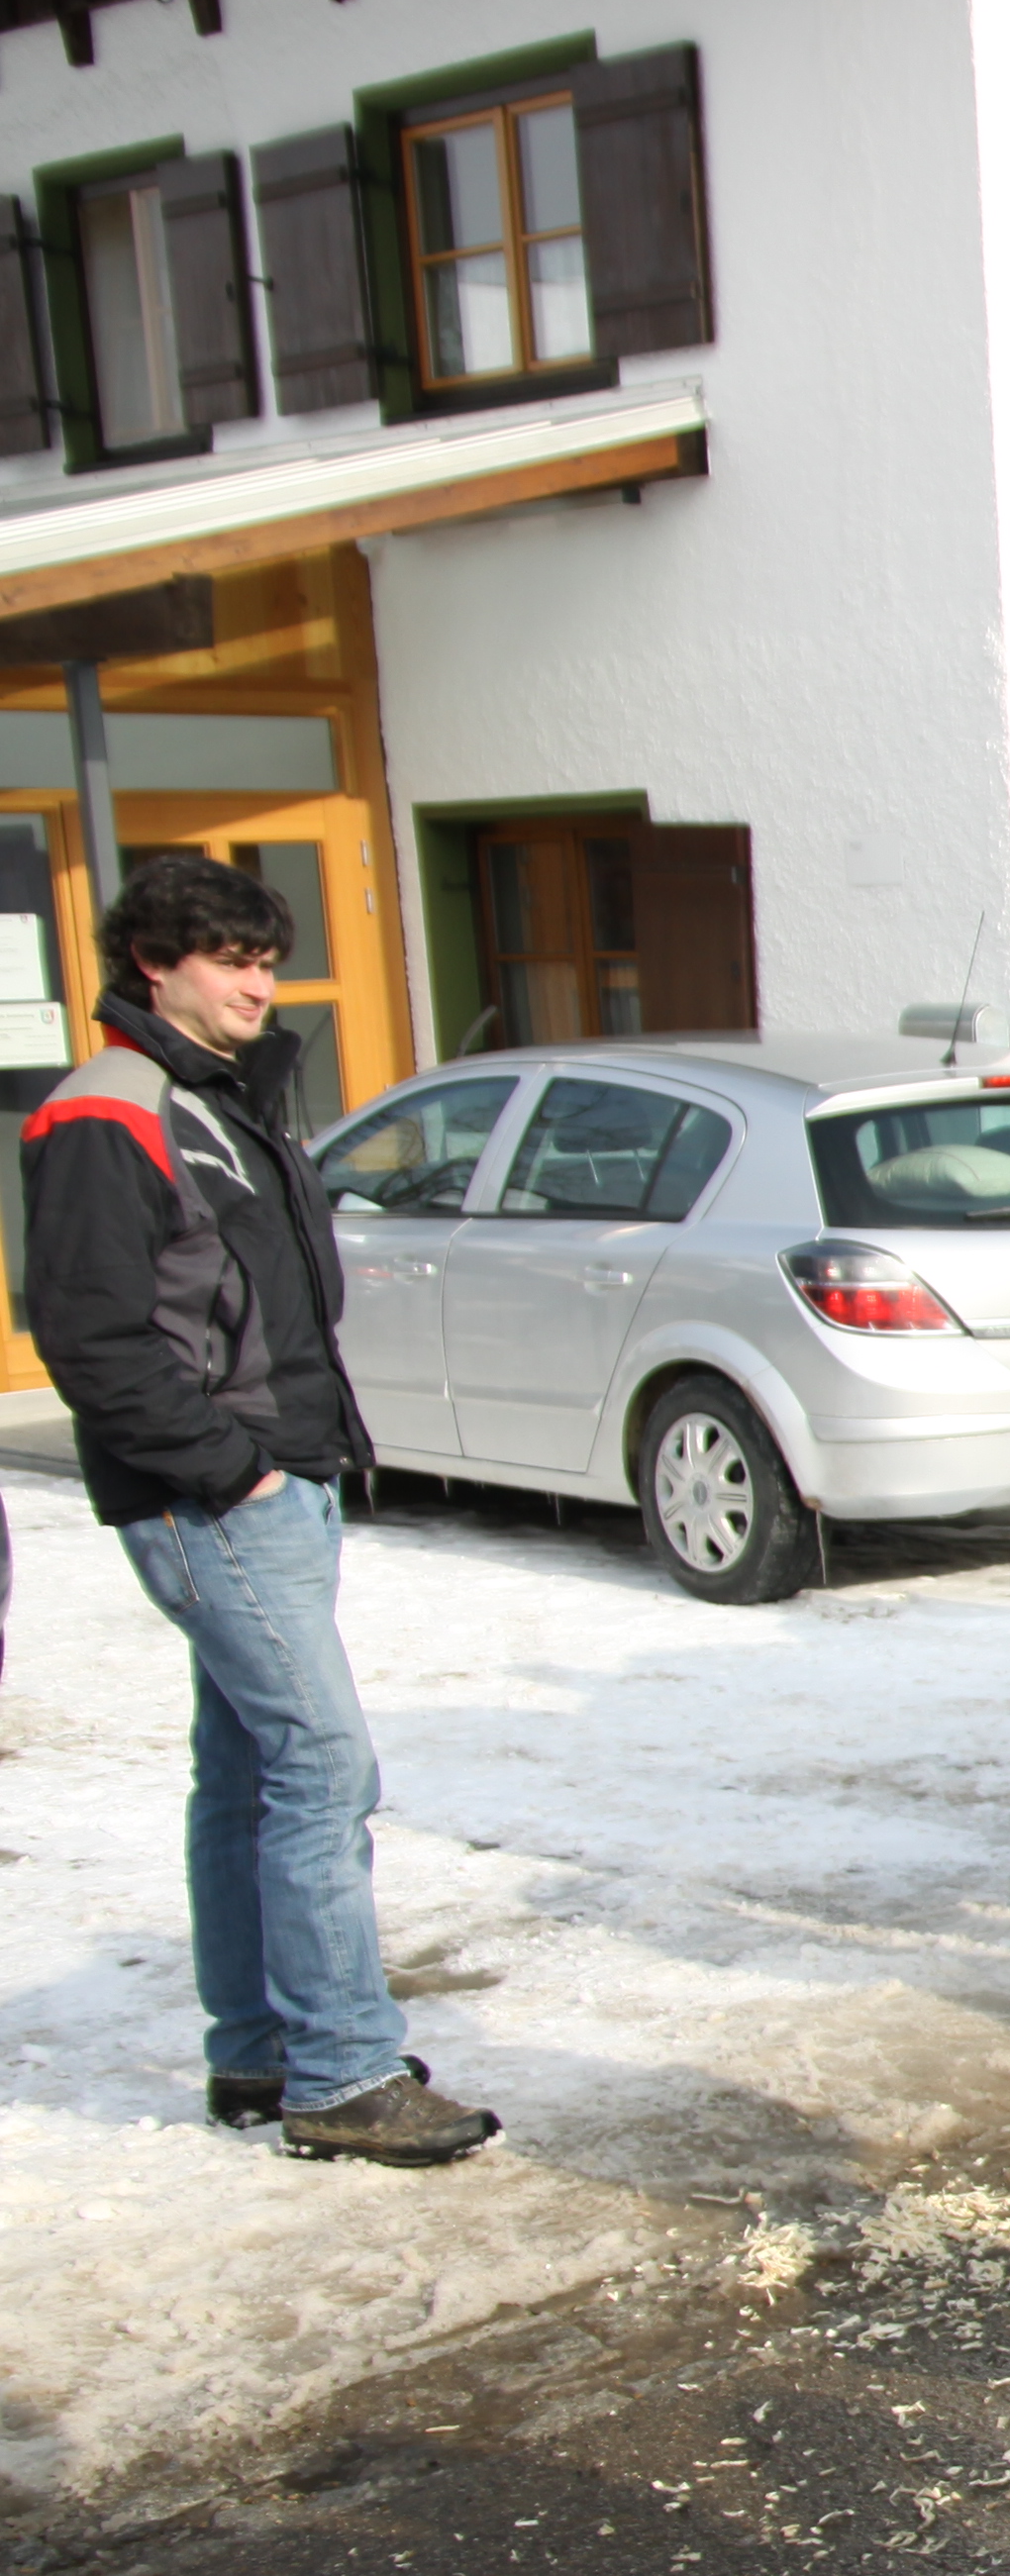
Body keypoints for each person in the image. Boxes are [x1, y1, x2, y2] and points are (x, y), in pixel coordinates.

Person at [18, 855, 494, 2164]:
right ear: (154, 966)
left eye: (265, 958)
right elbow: (92, 1334)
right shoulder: (109, 1112)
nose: (255, 984)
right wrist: (229, 1468)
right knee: (322, 1766)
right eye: (229, 959)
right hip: (212, 1494)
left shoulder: (218, 1097)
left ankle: (259, 2054)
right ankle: (340, 2072)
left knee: (242, 1775)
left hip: (273, 1477)